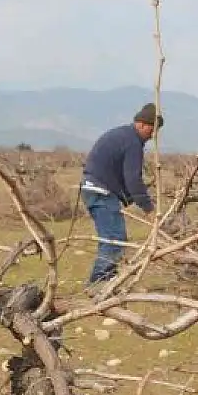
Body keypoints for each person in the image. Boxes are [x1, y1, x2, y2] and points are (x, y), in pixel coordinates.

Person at [80, 103, 163, 285]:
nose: (152, 135)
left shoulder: (123, 135)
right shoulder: (133, 142)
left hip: (94, 188)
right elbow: (133, 180)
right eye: (152, 130)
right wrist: (149, 209)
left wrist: (132, 196)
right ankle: (98, 283)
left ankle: (108, 281)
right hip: (100, 191)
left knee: (113, 238)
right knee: (114, 239)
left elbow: (126, 179)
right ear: (141, 124)